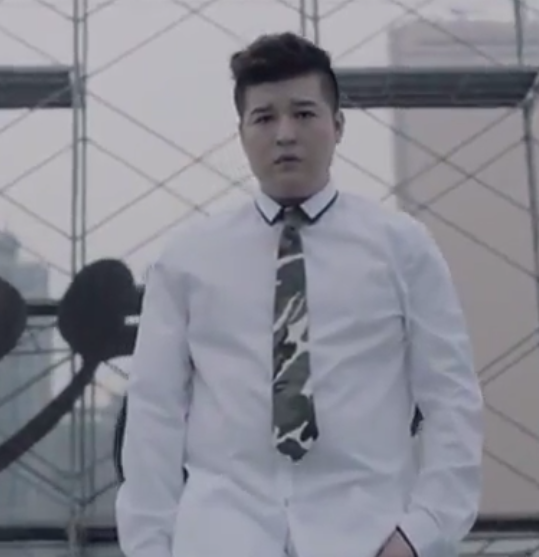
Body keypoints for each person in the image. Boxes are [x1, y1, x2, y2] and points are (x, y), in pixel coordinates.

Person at [115, 32, 483, 557]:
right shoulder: (187, 258)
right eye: (264, 118)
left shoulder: (403, 248)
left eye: (304, 114)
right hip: (221, 534)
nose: (285, 133)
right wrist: (150, 547)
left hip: (368, 534)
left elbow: (450, 398)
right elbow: (154, 411)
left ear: (338, 125)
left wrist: (423, 530)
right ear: (241, 133)